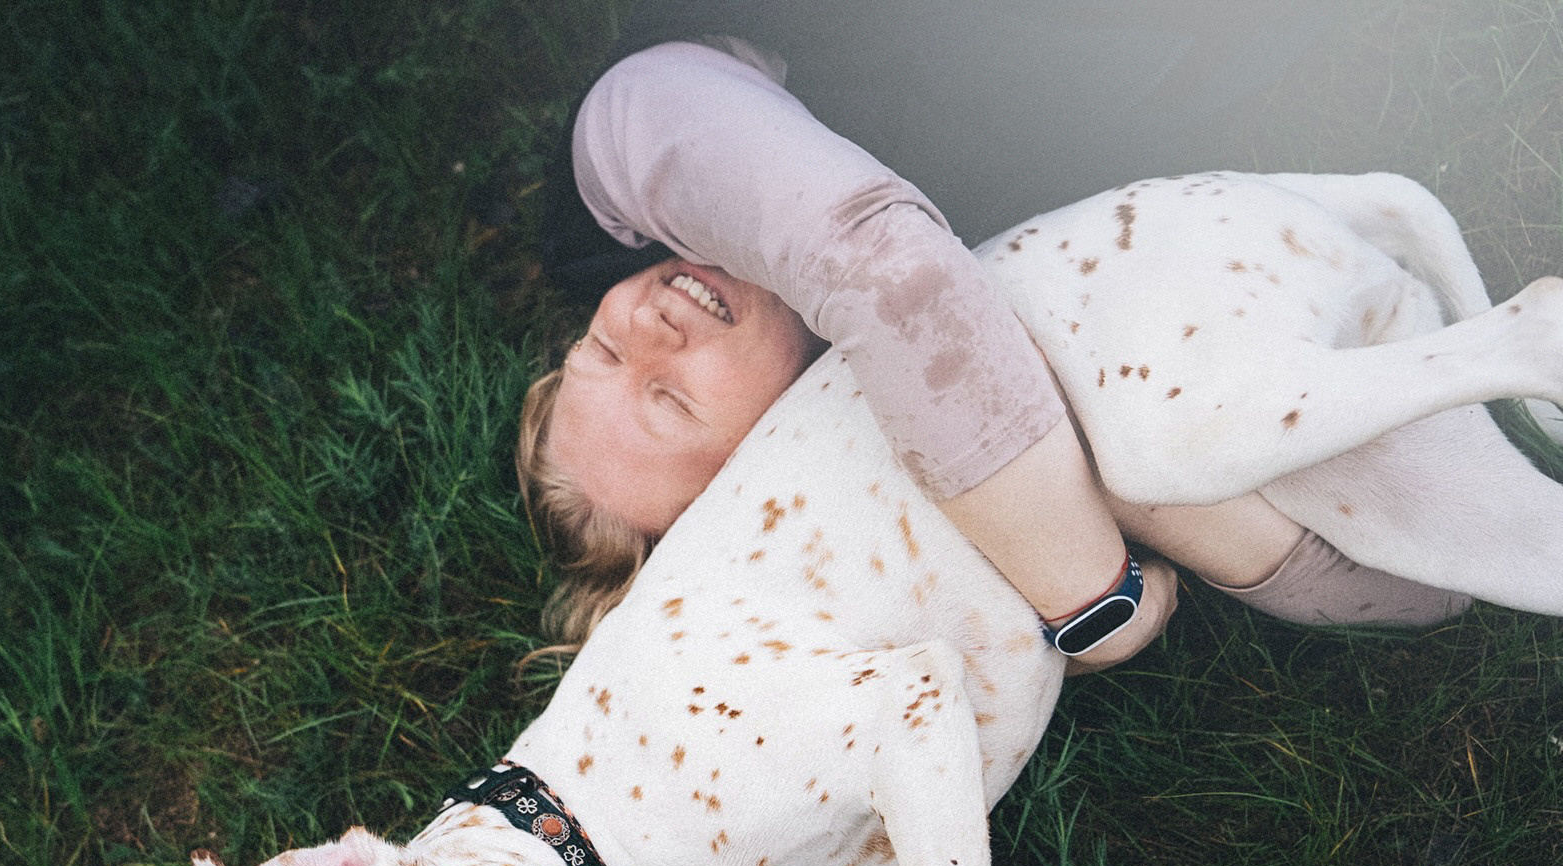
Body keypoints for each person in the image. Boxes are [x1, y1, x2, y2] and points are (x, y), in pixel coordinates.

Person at [520, 3, 1468, 659]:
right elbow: (1409, 577)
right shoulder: (918, 414)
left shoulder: (629, 151)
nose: (647, 325)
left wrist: (1098, 605)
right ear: (770, 467)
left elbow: (887, 273)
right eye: (670, 400)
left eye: (596, 352)